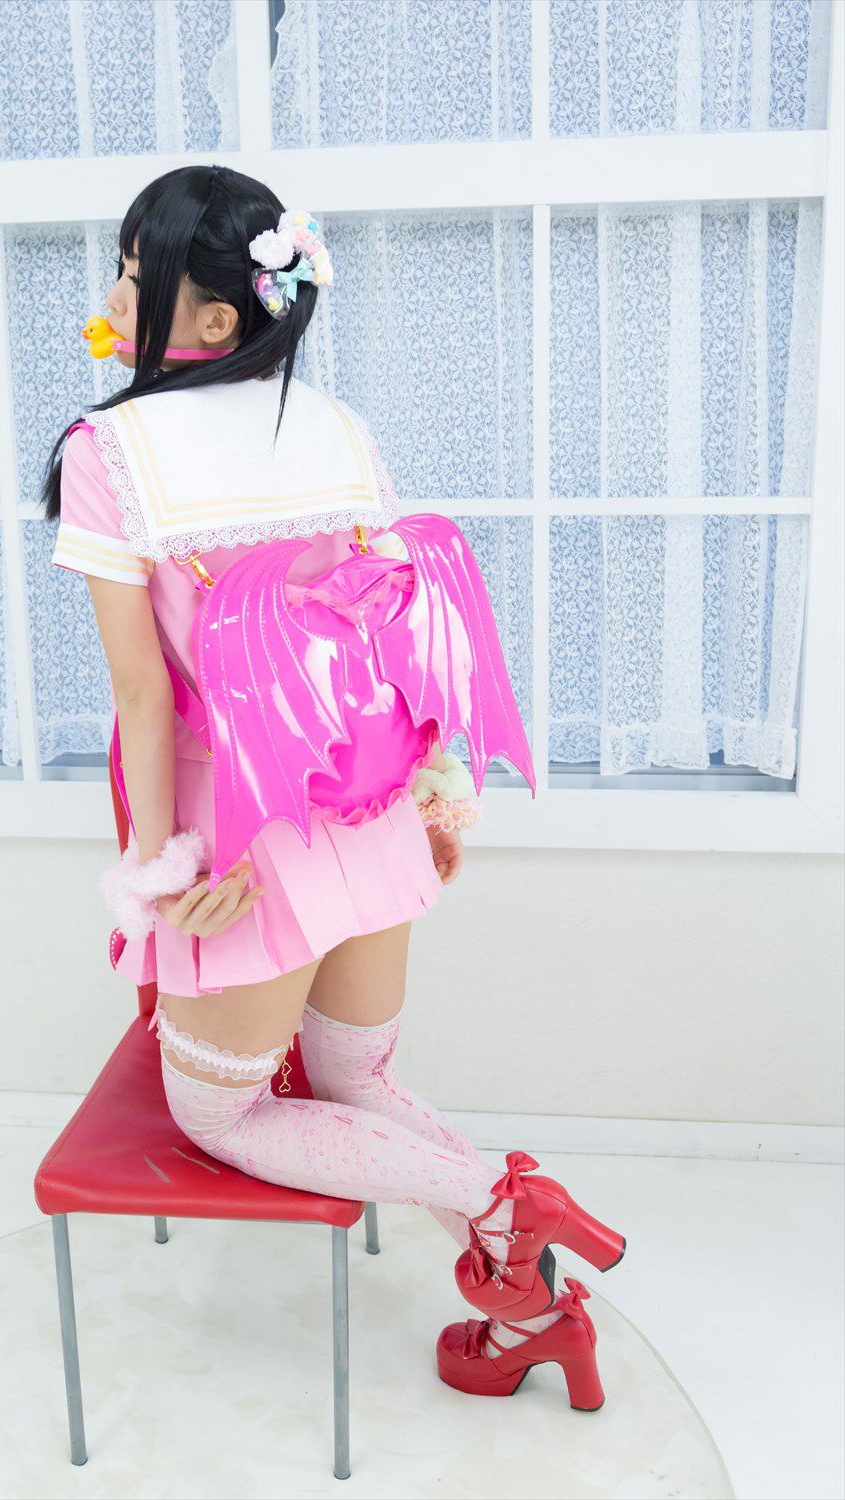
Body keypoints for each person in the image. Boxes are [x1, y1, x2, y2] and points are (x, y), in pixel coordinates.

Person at [42, 163, 625, 1407]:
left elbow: (143, 693)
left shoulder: (111, 451)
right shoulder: (338, 427)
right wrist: (436, 793)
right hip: (368, 807)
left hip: (238, 834)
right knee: (359, 1076)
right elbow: (392, 628)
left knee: (223, 1118)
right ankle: (537, 1307)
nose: (112, 296)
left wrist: (162, 871)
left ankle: (499, 1199)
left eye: (136, 278)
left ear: (213, 317)